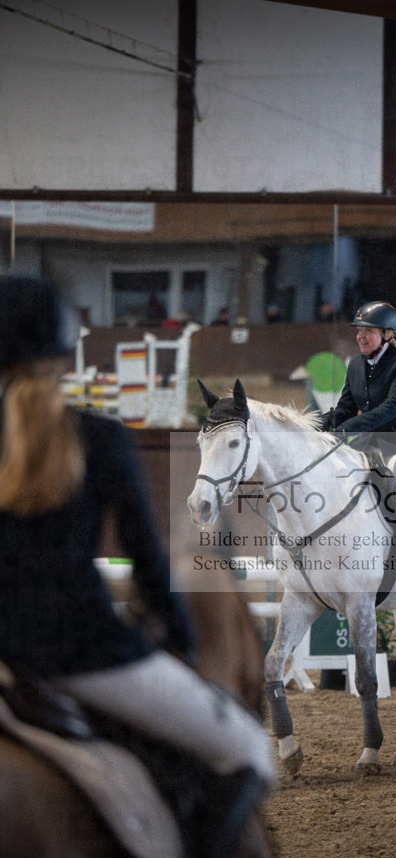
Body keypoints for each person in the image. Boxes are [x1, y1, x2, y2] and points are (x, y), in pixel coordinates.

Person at [0, 275, 274, 791]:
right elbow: (146, 559)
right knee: (248, 749)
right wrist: (181, 639)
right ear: (64, 351)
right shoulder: (98, 437)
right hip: (84, 653)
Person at [326, 301, 396, 596]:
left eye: (368, 331)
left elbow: (392, 407)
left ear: (387, 334)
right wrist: (315, 424)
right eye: (359, 331)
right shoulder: (355, 365)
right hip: (370, 447)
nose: (360, 336)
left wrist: (348, 428)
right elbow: (345, 409)